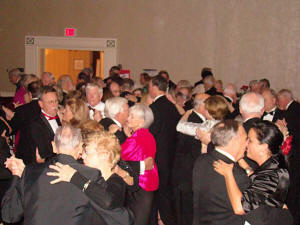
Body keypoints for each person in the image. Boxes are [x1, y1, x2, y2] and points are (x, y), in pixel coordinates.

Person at [1, 125, 104, 225]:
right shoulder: (91, 174)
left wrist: (16, 175)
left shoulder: (30, 172)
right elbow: (106, 212)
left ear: (53, 146)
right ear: (81, 148)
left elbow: (9, 215)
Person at [47, 124, 133, 225]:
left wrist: (75, 177)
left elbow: (107, 201)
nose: (82, 156)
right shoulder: (84, 174)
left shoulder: (116, 182)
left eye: (87, 152)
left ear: (104, 155)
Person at [213, 120, 293, 225]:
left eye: (249, 140)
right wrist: (243, 163)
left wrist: (228, 174)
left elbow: (240, 208)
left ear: (263, 147)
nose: (245, 143)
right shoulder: (273, 165)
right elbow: (258, 180)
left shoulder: (273, 174)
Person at [193, 120, 250, 225]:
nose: (247, 143)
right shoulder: (237, 175)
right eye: (246, 139)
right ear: (234, 141)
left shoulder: (201, 161)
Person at [148, 74, 181, 225]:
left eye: (149, 86)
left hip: (158, 157)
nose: (148, 89)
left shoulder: (154, 108)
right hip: (171, 155)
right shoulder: (172, 107)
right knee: (167, 192)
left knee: (159, 194)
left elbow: (151, 135)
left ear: (155, 87)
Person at [121, 103, 159, 225]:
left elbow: (119, 155)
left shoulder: (136, 138)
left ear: (141, 122)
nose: (128, 119)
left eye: (132, 117)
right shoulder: (148, 135)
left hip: (140, 184)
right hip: (148, 182)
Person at [277, 89, 300, 224]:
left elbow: (293, 133)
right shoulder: (296, 108)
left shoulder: (291, 112)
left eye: (279, 100)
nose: (278, 103)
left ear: (285, 99)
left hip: (294, 154)